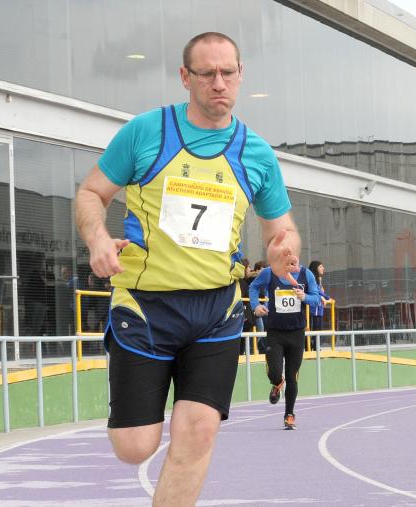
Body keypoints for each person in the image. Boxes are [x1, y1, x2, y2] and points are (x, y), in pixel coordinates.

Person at [74, 32, 301, 506]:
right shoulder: (146, 132)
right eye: (207, 73)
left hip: (216, 309)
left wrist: (284, 252)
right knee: (134, 447)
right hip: (145, 305)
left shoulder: (256, 153)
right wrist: (97, 239)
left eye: (228, 72)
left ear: (241, 76)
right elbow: (91, 193)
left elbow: (283, 228)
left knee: (197, 434)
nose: (219, 83)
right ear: (186, 78)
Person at [249, 264, 320, 430]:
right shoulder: (269, 272)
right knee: (274, 372)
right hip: (275, 333)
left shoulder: (306, 274)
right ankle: (277, 383)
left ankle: (289, 415)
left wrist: (305, 297)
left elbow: (316, 299)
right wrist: (255, 306)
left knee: (292, 375)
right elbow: (253, 286)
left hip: (296, 334)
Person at [308, 260, 330, 333]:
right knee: (313, 333)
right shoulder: (311, 280)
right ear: (315, 268)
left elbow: (321, 292)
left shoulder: (318, 280)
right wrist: (326, 298)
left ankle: (314, 344)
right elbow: (318, 292)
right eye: (320, 266)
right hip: (313, 311)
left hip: (319, 310)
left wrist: (326, 298)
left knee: (318, 333)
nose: (323, 268)